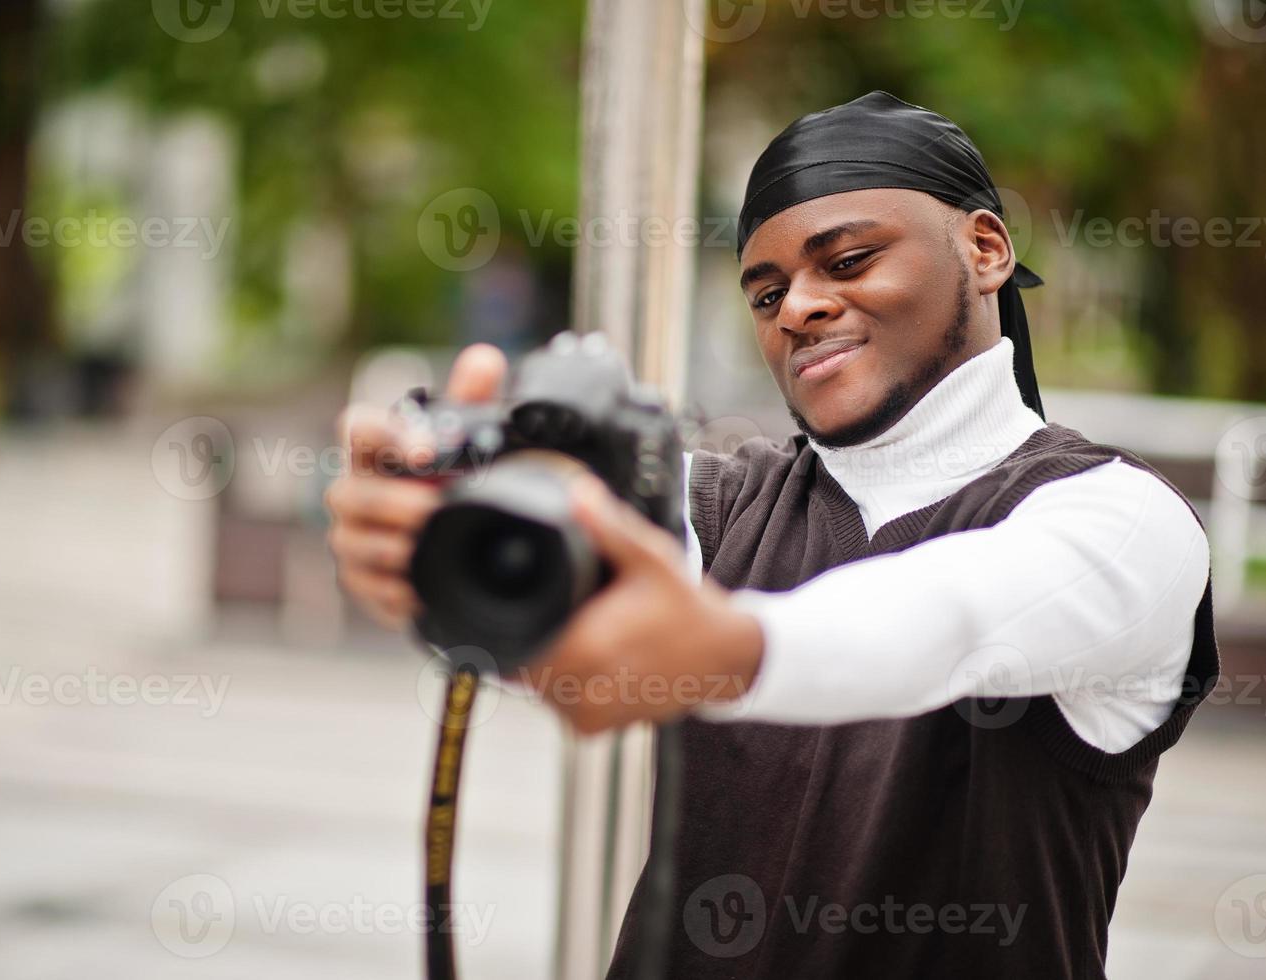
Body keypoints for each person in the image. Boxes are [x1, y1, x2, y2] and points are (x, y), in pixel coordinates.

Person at [324, 91, 1218, 978]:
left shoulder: (1118, 520)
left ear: (983, 250)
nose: (797, 308)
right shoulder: (715, 504)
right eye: (767, 293)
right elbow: (584, 564)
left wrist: (729, 643)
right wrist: (435, 520)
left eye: (851, 259)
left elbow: (947, 617)